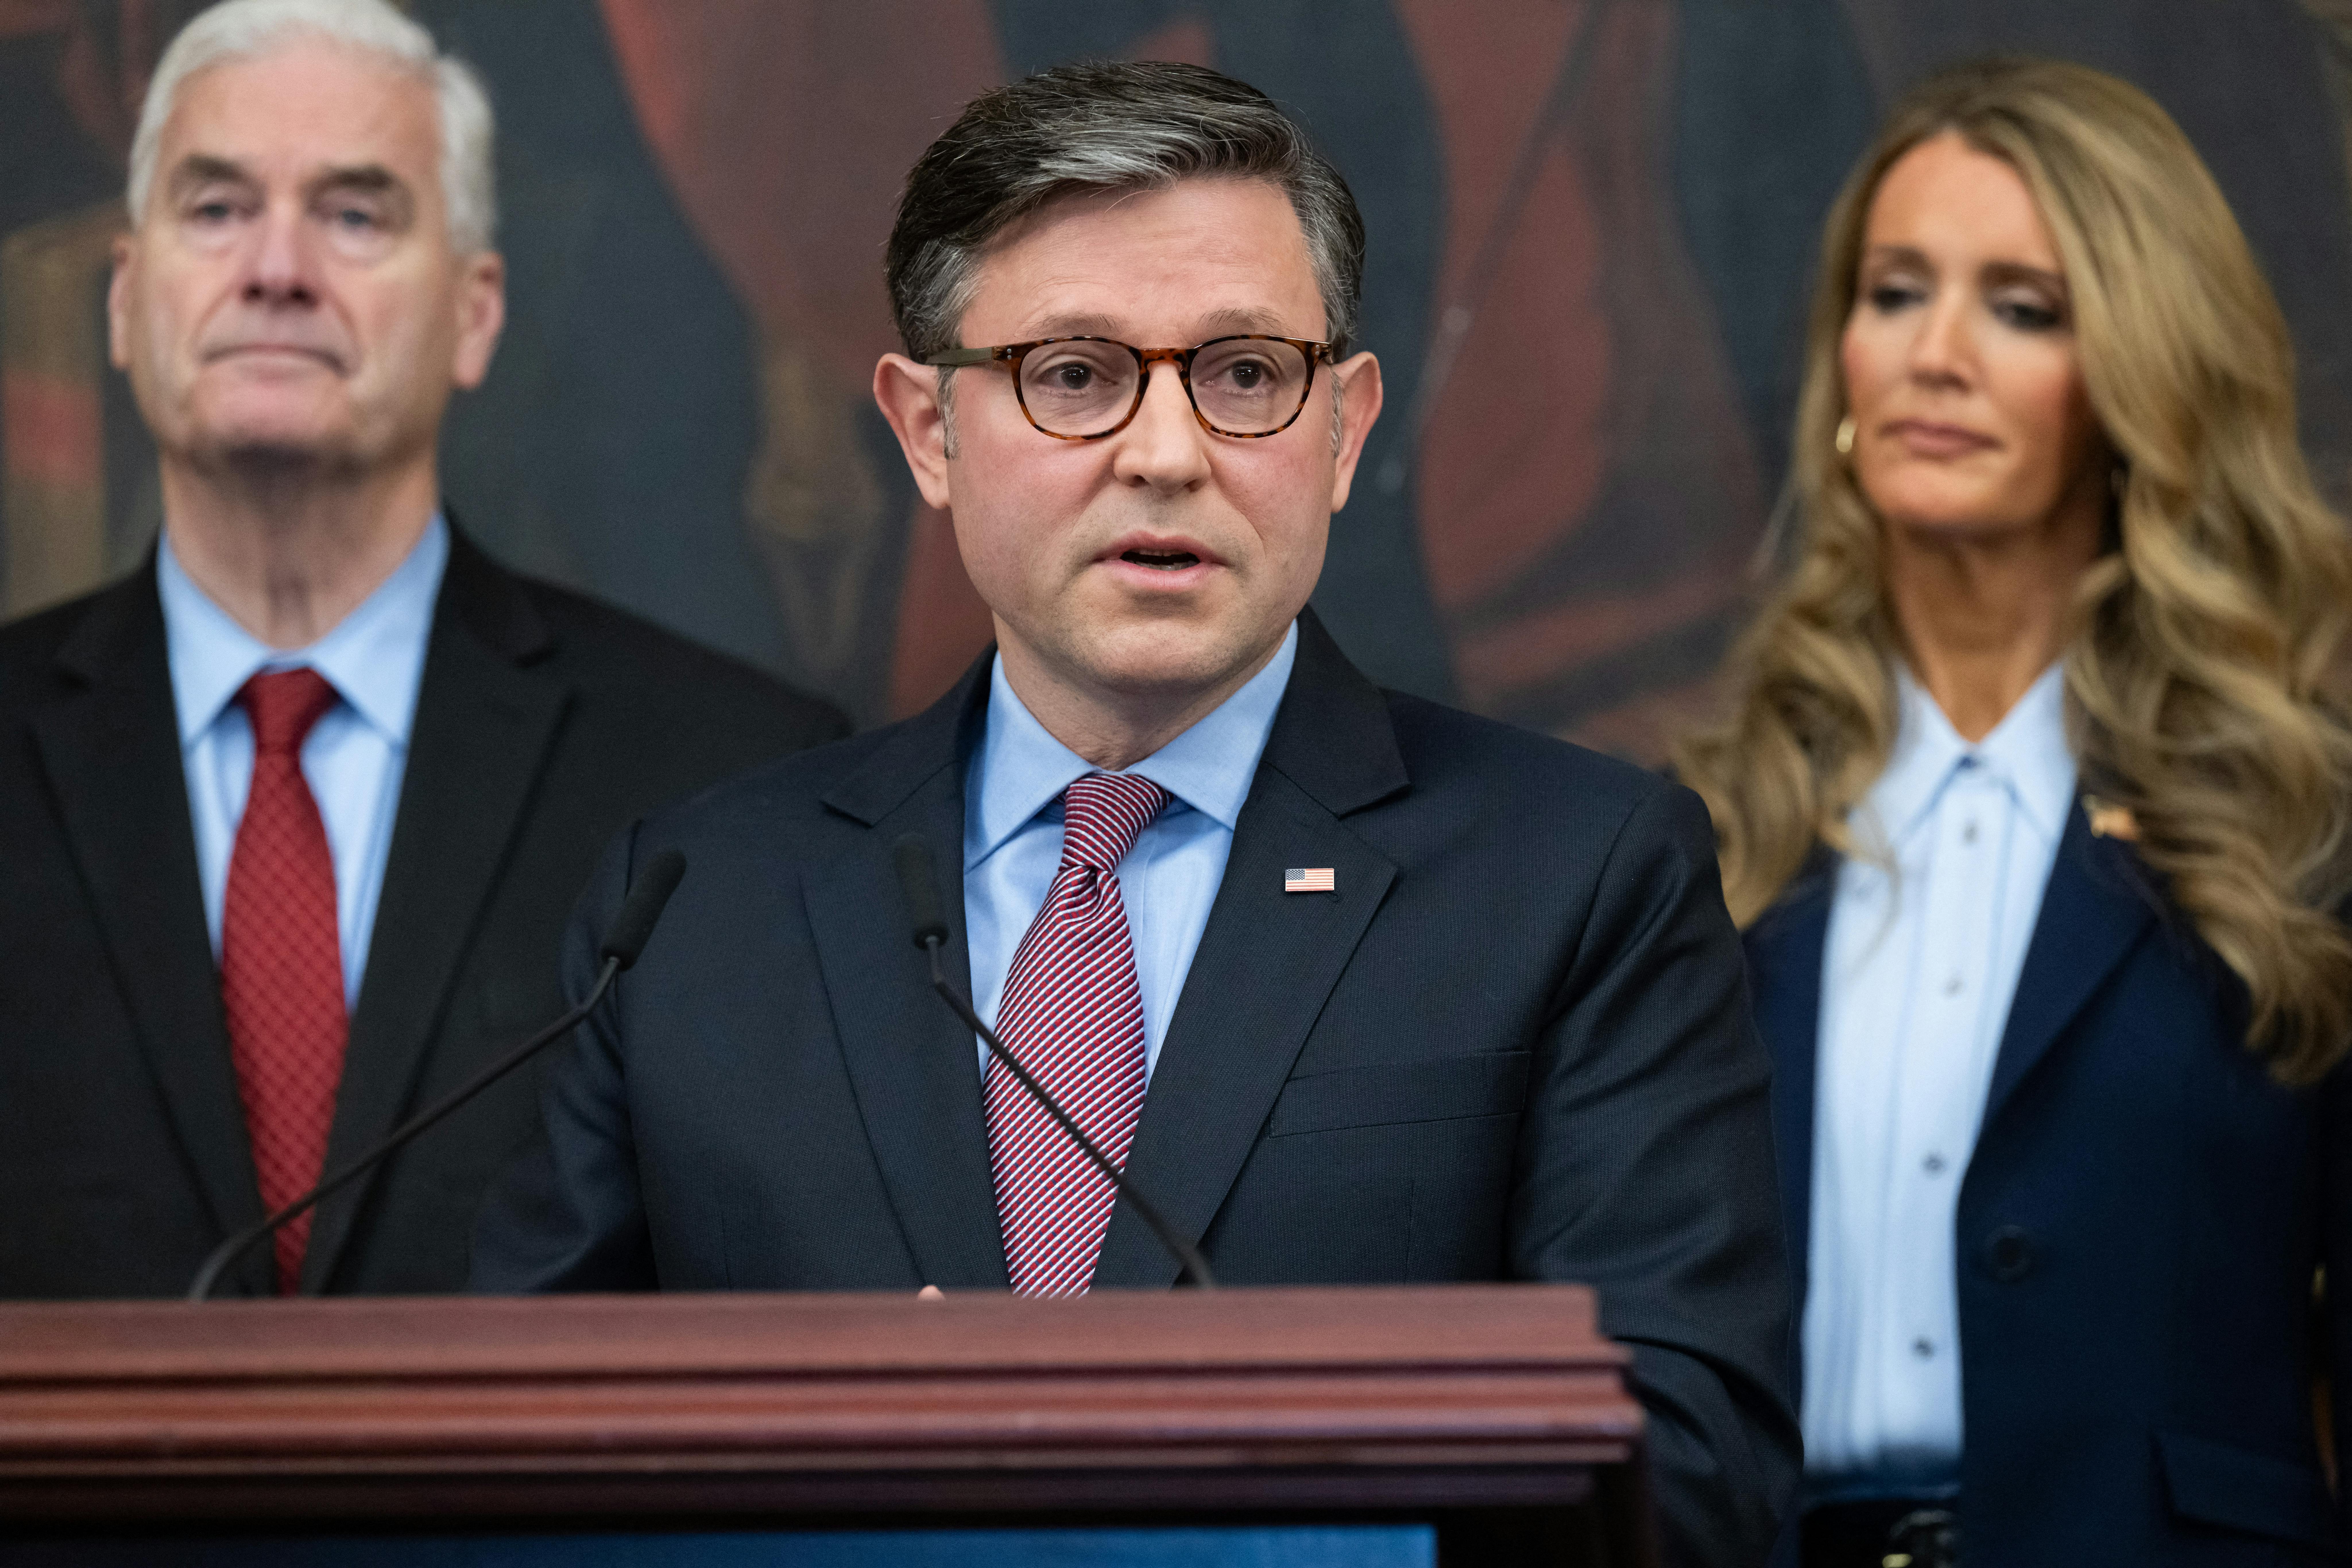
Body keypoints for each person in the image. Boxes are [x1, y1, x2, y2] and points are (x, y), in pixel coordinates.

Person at [471, 59, 1798, 1565]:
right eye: (1077, 373)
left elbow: (1693, 1485)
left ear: (1346, 426)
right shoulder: (700, 905)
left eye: (1243, 374)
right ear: (926, 429)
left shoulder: (1574, 879)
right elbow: (521, 1473)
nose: (1167, 453)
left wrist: (1186, 1475)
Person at [0, 0, 845, 1301]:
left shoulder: (723, 785)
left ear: (474, 314)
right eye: (215, 209)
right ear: (126, 299)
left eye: (356, 215)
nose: (276, 270)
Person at [1675, 57, 2352, 1567]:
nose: (1938, 354)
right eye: (1897, 292)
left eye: (2024, 307)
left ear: (2138, 374)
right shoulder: (1713, 833)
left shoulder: (2299, 827)